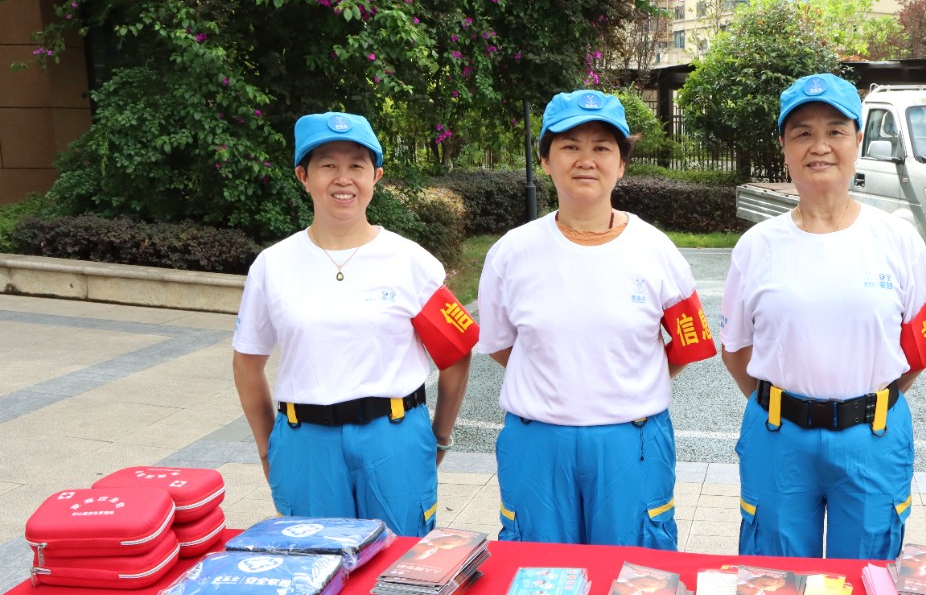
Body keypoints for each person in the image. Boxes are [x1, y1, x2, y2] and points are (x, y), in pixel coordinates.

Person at [720, 73, 926, 561]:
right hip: (779, 440)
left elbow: (919, 346)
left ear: (858, 140)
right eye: (803, 133)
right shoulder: (757, 246)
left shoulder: (898, 240)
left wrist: (865, 403)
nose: (820, 146)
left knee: (868, 576)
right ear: (784, 147)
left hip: (872, 438)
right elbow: (737, 350)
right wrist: (788, 407)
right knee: (778, 581)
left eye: (835, 131)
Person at [475, 89, 716, 548]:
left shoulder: (656, 250)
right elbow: (502, 344)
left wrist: (629, 380)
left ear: (621, 164)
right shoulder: (511, 253)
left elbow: (689, 343)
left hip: (632, 443)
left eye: (602, 148)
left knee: (635, 574)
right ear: (545, 159)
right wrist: (560, 379)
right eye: (570, 146)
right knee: (539, 571)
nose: (586, 160)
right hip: (537, 443)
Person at [232, 112, 475, 536]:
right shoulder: (273, 265)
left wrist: (439, 435)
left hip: (394, 439)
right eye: (328, 165)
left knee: (401, 563)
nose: (343, 179)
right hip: (306, 445)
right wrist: (268, 444)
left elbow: (456, 351)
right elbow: (247, 361)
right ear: (304, 176)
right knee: (314, 562)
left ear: (375, 176)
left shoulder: (410, 261)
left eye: (356, 166)